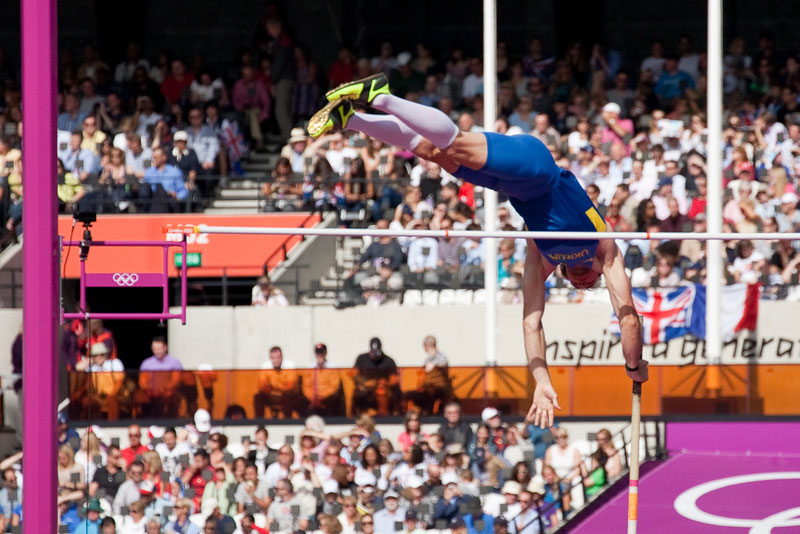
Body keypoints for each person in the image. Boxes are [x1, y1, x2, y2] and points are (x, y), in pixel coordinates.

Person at [308, 73, 648, 427]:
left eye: (579, 285)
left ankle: (350, 118)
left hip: (511, 187)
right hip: (537, 169)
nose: (582, 282)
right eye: (589, 283)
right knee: (454, 143)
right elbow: (628, 318)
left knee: (432, 152)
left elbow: (532, 324)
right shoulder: (603, 250)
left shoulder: (541, 257)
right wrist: (634, 366)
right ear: (597, 274)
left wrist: (542, 380)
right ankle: (380, 95)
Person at [352, 338, 401, 415]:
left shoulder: (389, 361)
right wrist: (364, 383)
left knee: (381, 392)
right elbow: (354, 374)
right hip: (365, 387)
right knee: (359, 393)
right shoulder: (361, 359)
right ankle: (360, 414)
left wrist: (384, 383)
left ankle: (383, 414)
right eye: (373, 352)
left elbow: (394, 379)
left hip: (383, 388)